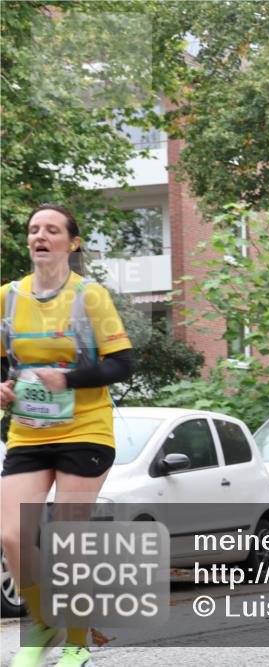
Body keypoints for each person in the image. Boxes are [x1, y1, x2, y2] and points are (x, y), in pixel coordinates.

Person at [1, 204, 134, 667]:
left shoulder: (89, 296)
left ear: (71, 243)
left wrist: (69, 379)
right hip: (29, 431)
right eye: (34, 229)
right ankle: (43, 622)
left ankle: (76, 641)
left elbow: (122, 364)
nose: (40, 236)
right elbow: (4, 362)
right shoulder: (8, 297)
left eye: (51, 230)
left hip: (86, 428)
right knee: (12, 535)